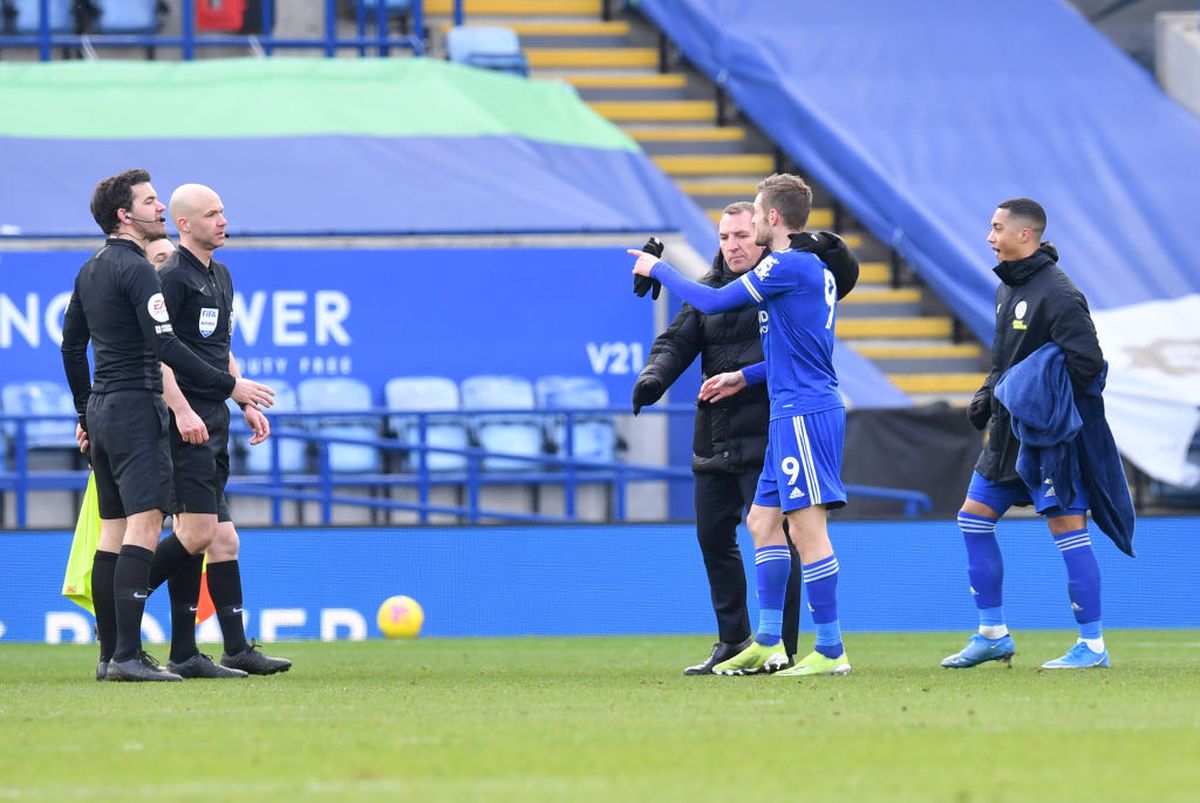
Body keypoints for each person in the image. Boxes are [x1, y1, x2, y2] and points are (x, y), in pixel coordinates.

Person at [628, 174, 851, 677]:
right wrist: (742, 376)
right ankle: (767, 641)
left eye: (754, 212)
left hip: (806, 412)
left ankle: (832, 650)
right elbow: (792, 350)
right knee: (762, 523)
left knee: (807, 531)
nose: (748, 221)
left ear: (772, 218)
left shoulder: (787, 266)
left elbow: (709, 302)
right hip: (788, 408)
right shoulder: (803, 267)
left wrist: (657, 267)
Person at [61, 168, 275, 682]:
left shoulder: (90, 268)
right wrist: (230, 389)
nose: (157, 209)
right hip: (138, 407)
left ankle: (115, 652)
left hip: (105, 407)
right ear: (124, 214)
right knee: (145, 525)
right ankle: (126, 655)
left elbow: (71, 346)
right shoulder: (140, 270)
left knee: (115, 530)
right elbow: (166, 347)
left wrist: (84, 410)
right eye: (151, 201)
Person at [942, 198, 1133, 671]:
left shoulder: (1060, 294)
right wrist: (990, 391)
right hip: (1008, 435)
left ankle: (1092, 645)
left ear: (1025, 234)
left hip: (1048, 439)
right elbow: (1007, 360)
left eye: (996, 227)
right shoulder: (1009, 289)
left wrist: (1037, 399)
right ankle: (992, 633)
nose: (989, 236)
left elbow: (1088, 364)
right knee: (973, 518)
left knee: (1067, 527)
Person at [148, 183, 292, 678]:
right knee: (197, 533)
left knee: (222, 540)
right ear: (184, 223)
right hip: (184, 421)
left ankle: (232, 650)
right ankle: (120, 605)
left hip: (216, 418)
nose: (223, 221)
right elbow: (158, 353)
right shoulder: (170, 278)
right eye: (211, 214)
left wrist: (240, 396)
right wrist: (183, 411)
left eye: (223, 212)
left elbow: (219, 349)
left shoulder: (221, 276)